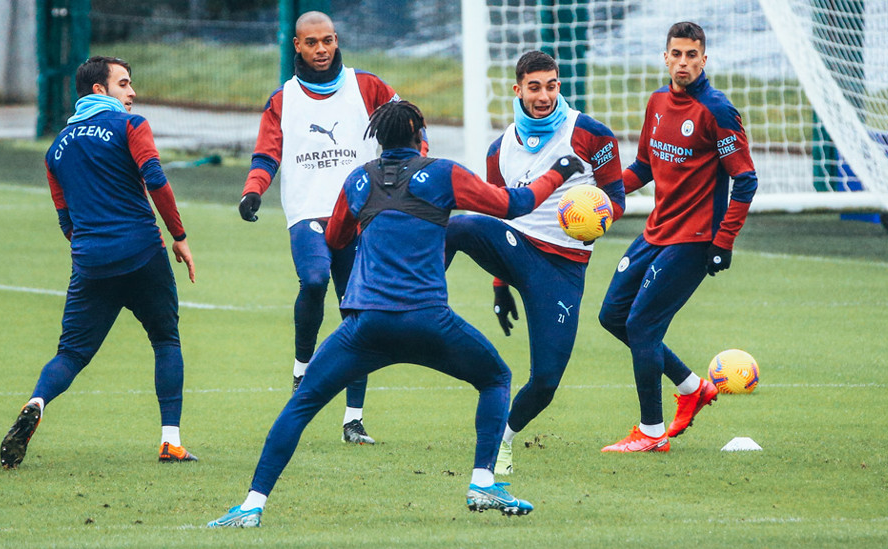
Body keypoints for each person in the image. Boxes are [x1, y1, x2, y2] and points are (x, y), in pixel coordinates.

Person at [207, 100, 584, 528]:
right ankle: (482, 482)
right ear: (420, 134)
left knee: (302, 403)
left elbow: (334, 237)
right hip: (428, 321)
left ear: (379, 138)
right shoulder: (443, 173)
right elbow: (513, 204)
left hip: (367, 326)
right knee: (495, 377)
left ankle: (252, 505)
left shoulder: (358, 180)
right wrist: (563, 170)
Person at [0, 56, 197, 468]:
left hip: (91, 263)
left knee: (71, 353)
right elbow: (156, 180)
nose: (132, 92)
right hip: (143, 253)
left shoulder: (56, 149)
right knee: (165, 340)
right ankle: (170, 442)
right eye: (124, 84)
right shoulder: (131, 126)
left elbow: (65, 218)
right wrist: (178, 236)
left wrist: (92, 248)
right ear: (99, 91)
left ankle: (37, 400)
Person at [237, 11, 423, 444]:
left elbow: (412, 128)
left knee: (359, 312)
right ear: (297, 47)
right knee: (315, 278)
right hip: (308, 214)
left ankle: (353, 419)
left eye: (327, 41)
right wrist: (253, 190)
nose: (321, 49)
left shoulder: (368, 86)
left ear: (336, 41)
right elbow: (267, 154)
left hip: (361, 216)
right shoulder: (282, 99)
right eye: (311, 42)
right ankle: (303, 367)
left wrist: (412, 173)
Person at [445, 51, 625, 475]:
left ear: (559, 85)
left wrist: (596, 218)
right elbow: (496, 212)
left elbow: (616, 198)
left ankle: (504, 439)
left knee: (545, 381)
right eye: (534, 87)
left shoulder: (591, 135)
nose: (544, 95)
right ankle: (418, 299)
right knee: (460, 225)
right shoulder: (499, 149)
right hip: (515, 245)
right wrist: (498, 285)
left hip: (562, 269)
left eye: (551, 85)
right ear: (518, 89)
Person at [598, 22, 758, 452]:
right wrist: (601, 193)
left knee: (642, 326)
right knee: (612, 317)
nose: (683, 62)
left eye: (692, 55)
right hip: (657, 230)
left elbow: (745, 181)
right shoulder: (656, 103)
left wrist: (723, 242)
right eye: (677, 54)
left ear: (704, 59)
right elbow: (644, 167)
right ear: (665, 57)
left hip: (695, 239)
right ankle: (693, 387)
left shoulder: (717, 111)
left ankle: (651, 433)